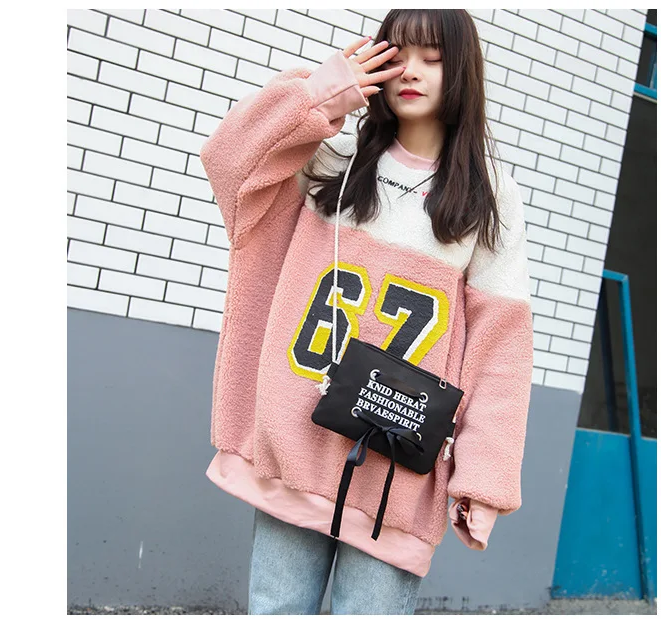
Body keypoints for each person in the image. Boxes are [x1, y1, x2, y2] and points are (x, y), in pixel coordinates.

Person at [199, 9, 533, 616]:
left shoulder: (488, 196)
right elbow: (229, 161)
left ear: (462, 71)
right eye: (398, 54)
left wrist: (483, 477)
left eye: (433, 58)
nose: (412, 71)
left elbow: (501, 346)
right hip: (296, 440)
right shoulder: (334, 158)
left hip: (396, 469)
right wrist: (322, 94)